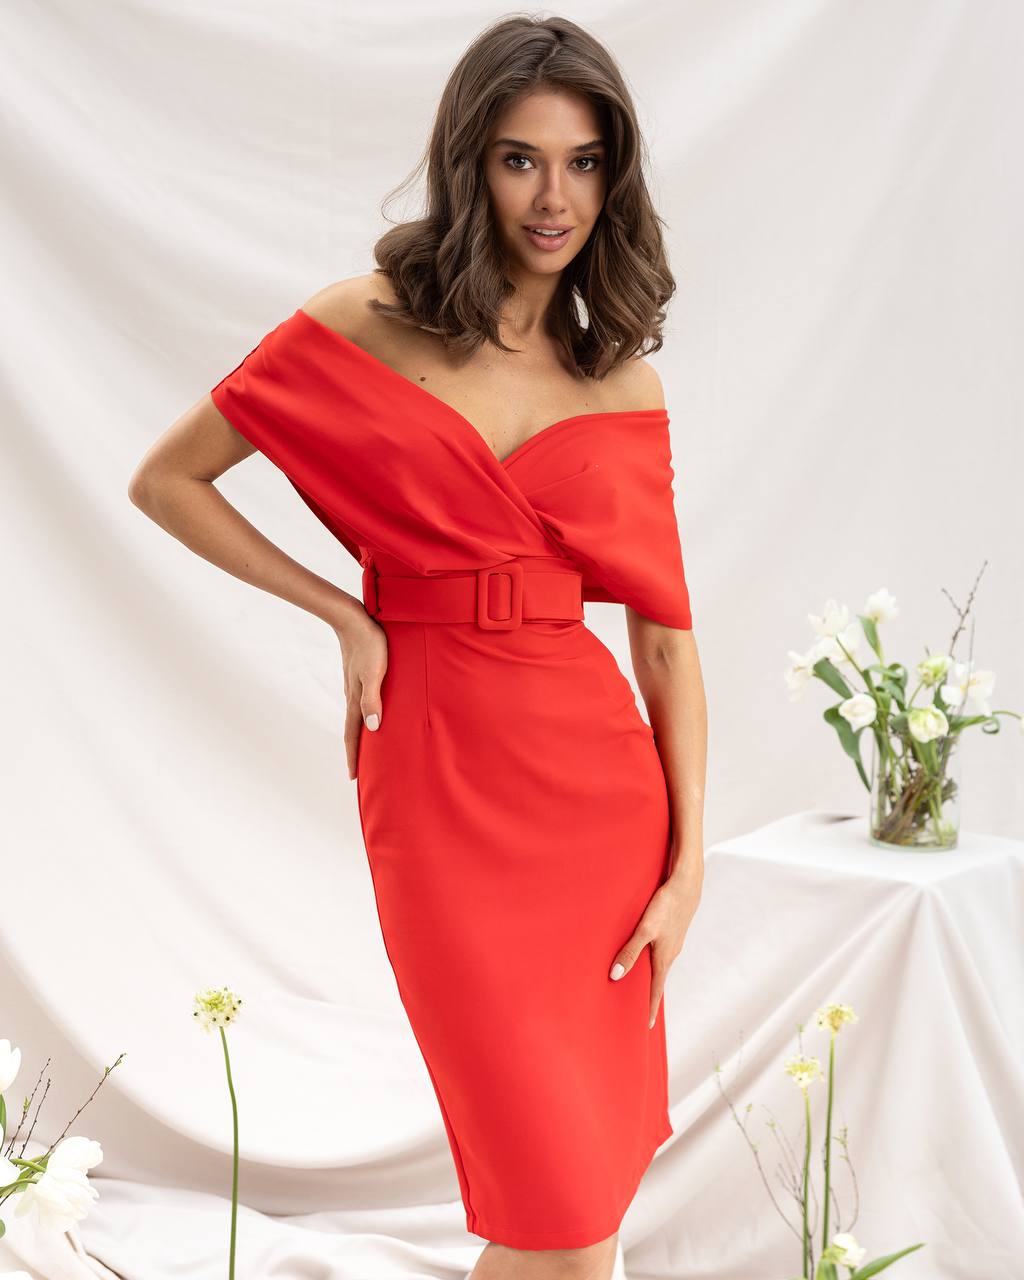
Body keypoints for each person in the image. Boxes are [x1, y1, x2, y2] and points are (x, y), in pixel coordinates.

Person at [129, 14, 707, 1280]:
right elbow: (167, 480)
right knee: (544, 1181)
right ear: (467, 161)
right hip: (439, 767)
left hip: (599, 796)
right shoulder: (363, 322)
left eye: (583, 160)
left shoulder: (621, 385)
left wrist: (688, 858)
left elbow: (663, 643)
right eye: (518, 159)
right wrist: (343, 609)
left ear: (614, 177)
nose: (553, 196)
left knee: (582, 1199)